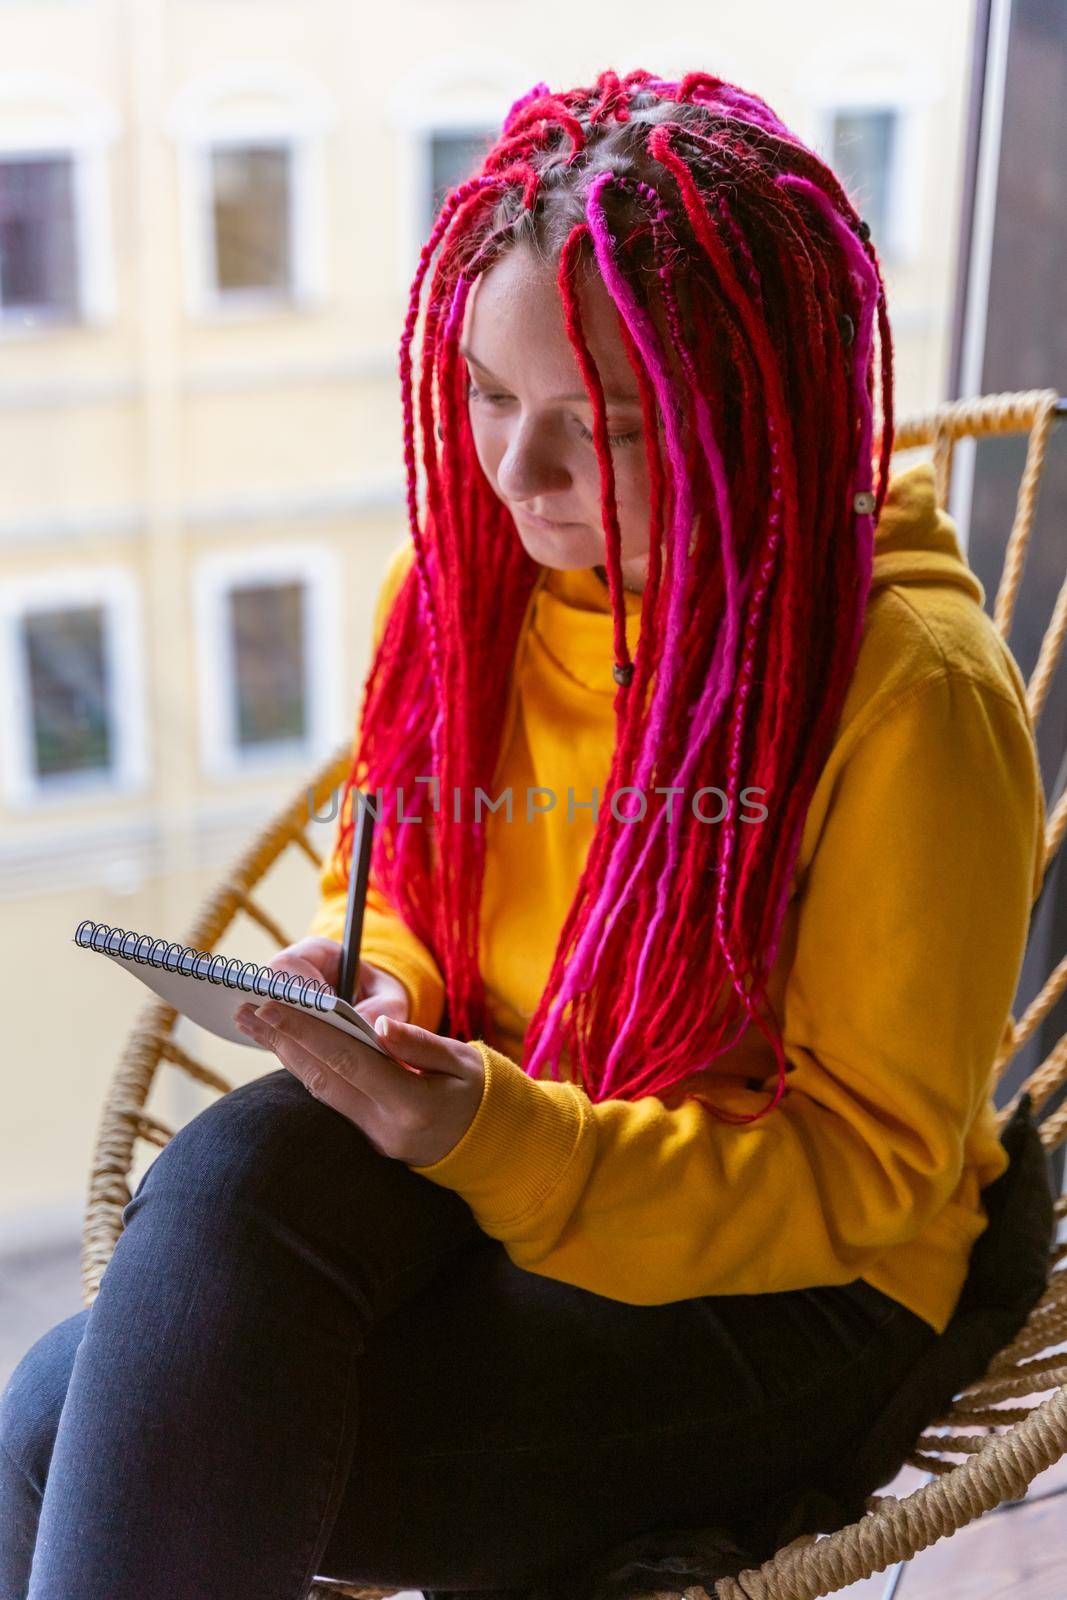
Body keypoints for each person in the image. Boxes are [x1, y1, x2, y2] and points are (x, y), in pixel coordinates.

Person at [0, 68, 1045, 1600]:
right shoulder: (457, 603)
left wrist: (492, 1134)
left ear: (751, 414)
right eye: (489, 396)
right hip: (511, 1151)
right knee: (160, 1268)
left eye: (599, 425)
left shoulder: (908, 697)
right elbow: (406, 887)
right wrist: (385, 987)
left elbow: (864, 1173)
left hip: (790, 1284)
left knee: (60, 1435)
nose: (514, 472)